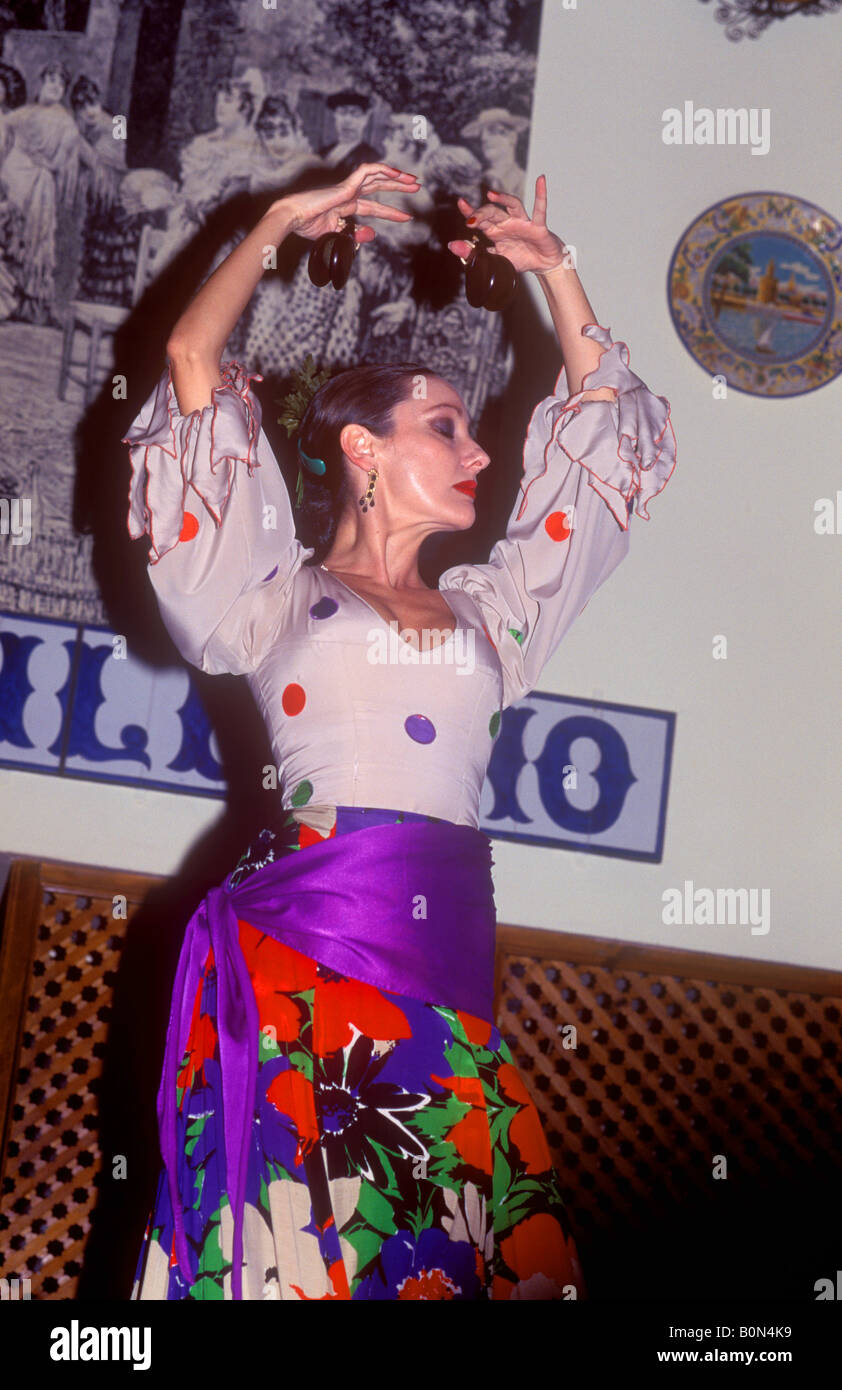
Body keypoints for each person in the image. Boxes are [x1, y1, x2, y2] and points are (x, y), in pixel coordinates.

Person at [123, 162, 676, 1300]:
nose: (479, 452)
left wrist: (554, 272)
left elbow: (608, 455)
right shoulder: (269, 596)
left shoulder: (495, 612)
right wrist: (274, 221)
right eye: (446, 428)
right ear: (363, 452)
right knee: (298, 1257)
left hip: (443, 965)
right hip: (295, 962)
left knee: (433, 1248)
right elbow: (190, 363)